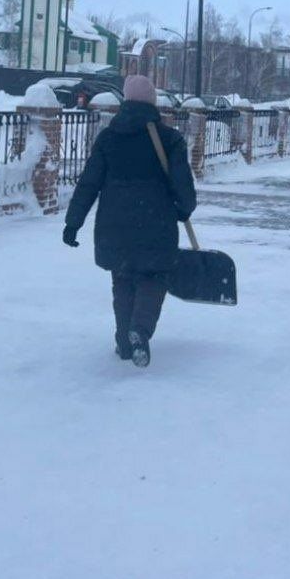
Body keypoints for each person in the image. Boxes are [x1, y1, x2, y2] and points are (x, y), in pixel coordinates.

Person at [62, 75, 197, 368]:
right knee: (154, 277)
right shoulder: (169, 139)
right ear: (152, 103)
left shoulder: (108, 138)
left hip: (114, 225)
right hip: (156, 224)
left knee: (122, 279)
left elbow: (89, 183)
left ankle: (124, 341)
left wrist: (73, 223)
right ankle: (140, 330)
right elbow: (182, 183)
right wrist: (185, 209)